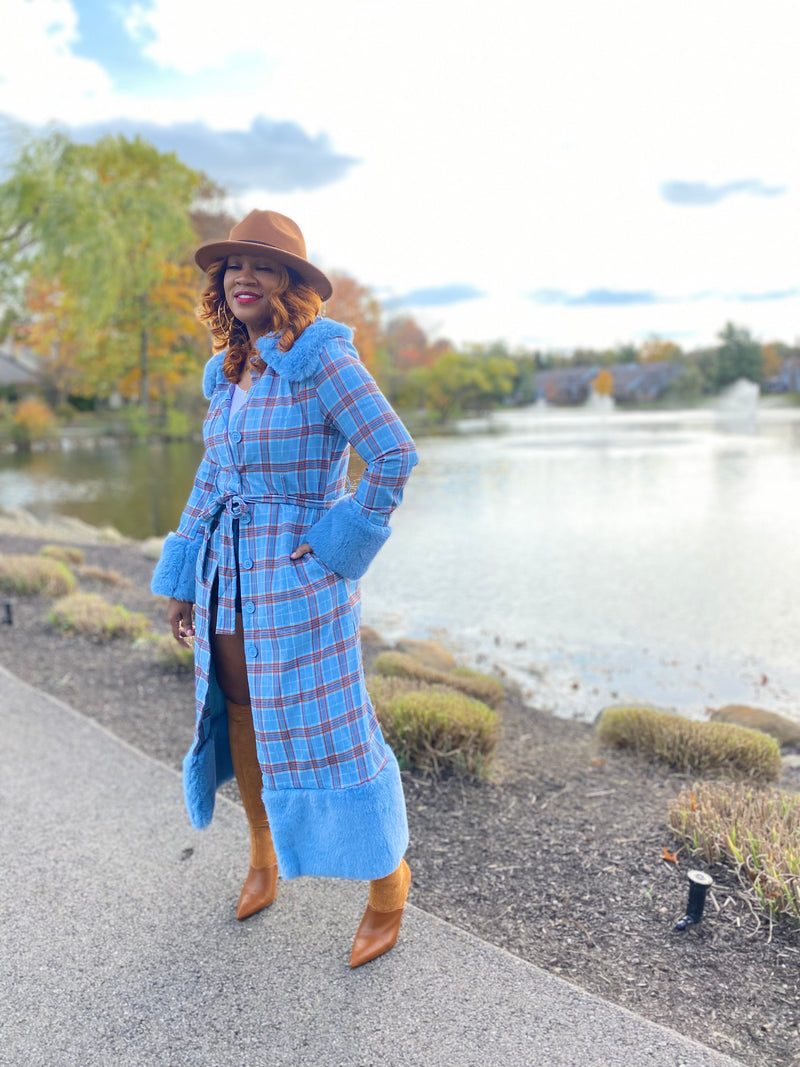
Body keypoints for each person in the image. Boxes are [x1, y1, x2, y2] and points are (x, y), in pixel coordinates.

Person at [151, 209, 417, 967]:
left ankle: (389, 886)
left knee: (335, 728)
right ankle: (264, 856)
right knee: (240, 714)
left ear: (292, 283)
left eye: (263, 267)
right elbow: (214, 477)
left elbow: (393, 455)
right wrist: (181, 578)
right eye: (234, 266)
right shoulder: (230, 368)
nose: (244, 277)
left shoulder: (323, 358)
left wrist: (334, 549)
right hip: (227, 577)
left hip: (302, 582)